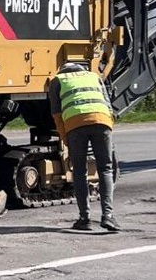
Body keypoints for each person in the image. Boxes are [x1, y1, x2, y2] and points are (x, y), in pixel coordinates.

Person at [48, 61, 120, 232]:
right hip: (102, 121)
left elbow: (57, 116)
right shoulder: (94, 76)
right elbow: (108, 106)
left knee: (79, 171)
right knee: (106, 169)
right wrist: (108, 128)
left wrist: (66, 140)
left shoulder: (57, 80)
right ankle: (108, 216)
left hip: (75, 125)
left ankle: (85, 218)